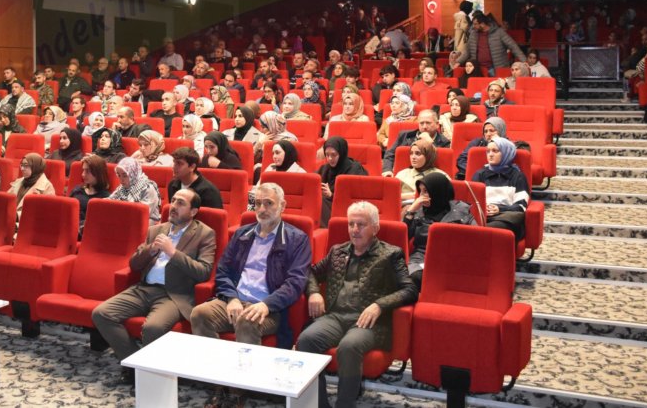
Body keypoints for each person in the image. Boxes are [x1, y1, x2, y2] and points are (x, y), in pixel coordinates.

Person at [190, 183, 311, 408]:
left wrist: (267, 304)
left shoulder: (297, 239)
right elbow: (223, 271)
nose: (262, 209)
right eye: (258, 203)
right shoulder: (242, 234)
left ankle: (238, 392)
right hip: (236, 301)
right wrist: (232, 298)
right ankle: (218, 383)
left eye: (269, 203)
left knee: (247, 320)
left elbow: (296, 283)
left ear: (283, 206)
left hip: (270, 308)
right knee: (199, 314)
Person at [297, 201, 418, 408]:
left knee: (349, 346)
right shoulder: (338, 251)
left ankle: (345, 404)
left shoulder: (391, 254)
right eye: (351, 224)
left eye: (361, 225)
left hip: (369, 323)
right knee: (306, 340)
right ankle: (319, 403)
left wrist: (379, 305)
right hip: (335, 317)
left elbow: (410, 290)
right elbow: (310, 272)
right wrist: (314, 292)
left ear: (375, 227)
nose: (354, 229)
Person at [92, 188, 215, 378]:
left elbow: (203, 272)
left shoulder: (205, 234)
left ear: (193, 211)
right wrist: (150, 250)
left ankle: (149, 376)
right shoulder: (156, 230)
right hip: (144, 289)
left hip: (173, 295)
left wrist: (172, 252)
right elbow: (134, 264)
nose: (173, 206)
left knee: (153, 328)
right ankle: (136, 366)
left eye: (181, 203)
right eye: (173, 200)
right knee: (101, 313)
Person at [403, 172, 477, 288]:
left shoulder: (461, 210)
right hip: (422, 258)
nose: (421, 196)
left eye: (426, 191)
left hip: (452, 258)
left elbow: (477, 239)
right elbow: (402, 238)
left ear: (437, 192)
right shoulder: (417, 211)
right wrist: (411, 211)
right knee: (415, 278)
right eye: (420, 191)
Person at [471, 136, 529, 240]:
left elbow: (521, 206)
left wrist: (499, 209)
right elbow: (471, 201)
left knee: (514, 218)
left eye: (495, 151)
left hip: (505, 216)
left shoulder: (518, 176)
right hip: (483, 216)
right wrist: (484, 208)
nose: (490, 154)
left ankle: (479, 233)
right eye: (488, 151)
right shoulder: (480, 174)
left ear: (506, 153)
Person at [383, 109, 451, 177]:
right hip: (404, 175)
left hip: (430, 176)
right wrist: (387, 170)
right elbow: (390, 154)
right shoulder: (405, 135)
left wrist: (431, 143)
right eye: (421, 123)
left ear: (437, 124)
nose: (424, 127)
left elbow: (441, 163)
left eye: (428, 123)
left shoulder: (444, 142)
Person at [318, 136, 368, 226]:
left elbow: (356, 198)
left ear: (342, 153)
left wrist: (332, 195)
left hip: (348, 209)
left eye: (333, 155)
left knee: (320, 202)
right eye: (327, 155)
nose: (330, 158)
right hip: (328, 206)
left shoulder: (355, 169)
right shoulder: (325, 169)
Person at [458, 12, 527, 75]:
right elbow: (467, 51)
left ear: (482, 24)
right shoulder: (473, 34)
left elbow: (513, 46)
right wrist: (458, 62)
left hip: (495, 68)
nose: (473, 26)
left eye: (475, 24)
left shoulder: (499, 32)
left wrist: (524, 61)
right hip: (478, 69)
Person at [9, 153, 55, 231]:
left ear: (35, 167)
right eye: (21, 165)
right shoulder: (19, 181)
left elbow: (43, 215)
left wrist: (16, 216)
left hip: (29, 227)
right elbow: (6, 200)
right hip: (10, 221)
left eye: (26, 166)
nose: (22, 168)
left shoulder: (47, 187)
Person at [110, 157, 162, 225]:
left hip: (147, 222)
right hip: (125, 219)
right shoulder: (122, 188)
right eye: (119, 175)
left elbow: (143, 212)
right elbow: (110, 201)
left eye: (125, 175)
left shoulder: (148, 187)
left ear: (133, 173)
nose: (121, 179)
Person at [69, 155, 111, 238]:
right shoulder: (77, 190)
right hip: (69, 230)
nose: (83, 174)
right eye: (83, 170)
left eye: (87, 171)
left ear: (98, 173)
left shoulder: (106, 198)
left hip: (88, 235)